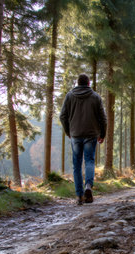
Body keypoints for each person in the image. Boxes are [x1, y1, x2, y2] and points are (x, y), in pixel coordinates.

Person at [60, 74, 107, 205]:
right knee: (89, 161)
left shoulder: (69, 96)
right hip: (91, 134)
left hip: (75, 135)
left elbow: (62, 116)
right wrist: (102, 134)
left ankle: (79, 196)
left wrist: (68, 131)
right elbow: (103, 118)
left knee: (76, 165)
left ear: (77, 83)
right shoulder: (96, 97)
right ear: (88, 83)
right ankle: (88, 186)